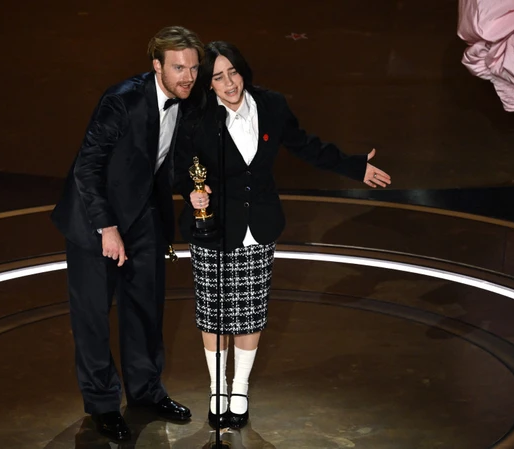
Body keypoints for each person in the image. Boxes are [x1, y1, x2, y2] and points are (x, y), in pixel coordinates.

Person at [173, 41, 392, 430]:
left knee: (250, 311)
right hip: (213, 228)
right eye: (219, 78)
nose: (229, 84)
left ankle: (239, 387)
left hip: (259, 223)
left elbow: (305, 145)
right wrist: (190, 193)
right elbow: (177, 166)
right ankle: (217, 386)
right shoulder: (195, 116)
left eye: (234, 73)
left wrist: (355, 167)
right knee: (214, 311)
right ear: (208, 84)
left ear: (244, 71)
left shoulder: (270, 105)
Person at [50, 26, 204, 442]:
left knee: (145, 310)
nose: (187, 75)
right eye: (177, 67)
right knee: (93, 319)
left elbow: (169, 161)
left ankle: (146, 393)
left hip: (144, 218)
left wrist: (192, 189)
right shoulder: (121, 101)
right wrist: (107, 228)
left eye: (192, 67)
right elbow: (88, 167)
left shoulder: (188, 99)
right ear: (157, 66)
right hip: (94, 220)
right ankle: (102, 404)